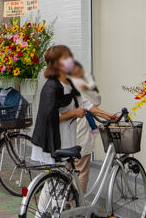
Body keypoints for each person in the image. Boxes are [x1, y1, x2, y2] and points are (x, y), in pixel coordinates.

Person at [31, 45, 117, 193]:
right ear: (57, 64)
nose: (70, 60)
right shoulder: (51, 87)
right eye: (66, 58)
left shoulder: (68, 83)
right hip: (52, 141)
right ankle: (52, 208)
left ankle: (69, 204)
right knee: (54, 183)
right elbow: (49, 118)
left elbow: (85, 103)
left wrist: (107, 115)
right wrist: (73, 113)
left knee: (58, 182)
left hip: (66, 139)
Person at [68, 61, 104, 193]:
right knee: (81, 170)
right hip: (79, 133)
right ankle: (78, 203)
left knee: (65, 170)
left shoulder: (59, 85)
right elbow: (95, 102)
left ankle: (64, 200)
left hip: (63, 136)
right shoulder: (80, 86)